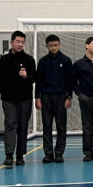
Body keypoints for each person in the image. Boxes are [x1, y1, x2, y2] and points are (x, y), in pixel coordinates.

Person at [0, 30, 37, 167]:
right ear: (11, 42)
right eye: (18, 42)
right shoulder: (4, 60)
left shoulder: (29, 60)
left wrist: (26, 76)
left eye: (22, 42)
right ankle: (9, 155)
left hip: (25, 98)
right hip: (8, 98)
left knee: (23, 126)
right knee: (10, 124)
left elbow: (35, 77)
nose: (20, 44)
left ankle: (20, 155)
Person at [35, 34, 75, 163]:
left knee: (61, 126)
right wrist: (37, 98)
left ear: (59, 45)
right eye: (51, 45)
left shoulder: (66, 61)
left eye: (56, 45)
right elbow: (38, 81)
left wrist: (69, 97)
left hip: (61, 97)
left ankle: (59, 153)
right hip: (46, 97)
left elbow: (70, 81)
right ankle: (48, 154)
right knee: (47, 126)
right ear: (47, 46)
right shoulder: (43, 62)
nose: (53, 48)